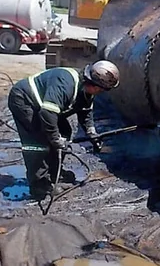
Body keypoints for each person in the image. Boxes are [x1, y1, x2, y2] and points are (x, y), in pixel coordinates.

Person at [8, 60, 120, 200]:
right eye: (102, 89)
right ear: (93, 84)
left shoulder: (86, 91)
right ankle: (39, 186)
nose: (102, 93)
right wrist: (55, 139)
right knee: (39, 142)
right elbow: (47, 113)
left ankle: (54, 173)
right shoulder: (66, 84)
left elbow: (85, 113)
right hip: (25, 100)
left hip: (45, 107)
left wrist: (91, 133)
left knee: (64, 132)